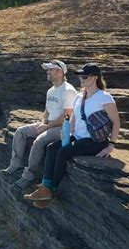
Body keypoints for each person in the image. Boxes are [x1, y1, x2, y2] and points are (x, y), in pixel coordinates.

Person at [24, 63, 121, 208]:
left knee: (63, 152)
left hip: (95, 141)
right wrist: (68, 135)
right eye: (80, 76)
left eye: (84, 76)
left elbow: (116, 122)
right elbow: (74, 118)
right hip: (78, 137)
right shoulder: (80, 96)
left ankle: (51, 190)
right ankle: (45, 185)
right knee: (52, 148)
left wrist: (111, 145)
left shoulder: (104, 97)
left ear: (94, 78)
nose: (81, 79)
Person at [0, 60, 77, 192]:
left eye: (50, 70)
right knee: (20, 132)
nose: (47, 72)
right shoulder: (51, 90)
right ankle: (15, 164)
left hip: (63, 127)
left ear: (59, 72)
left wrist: (47, 127)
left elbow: (67, 116)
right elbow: (47, 111)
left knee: (39, 141)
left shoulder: (68, 91)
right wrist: (43, 123)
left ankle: (28, 175)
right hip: (49, 124)